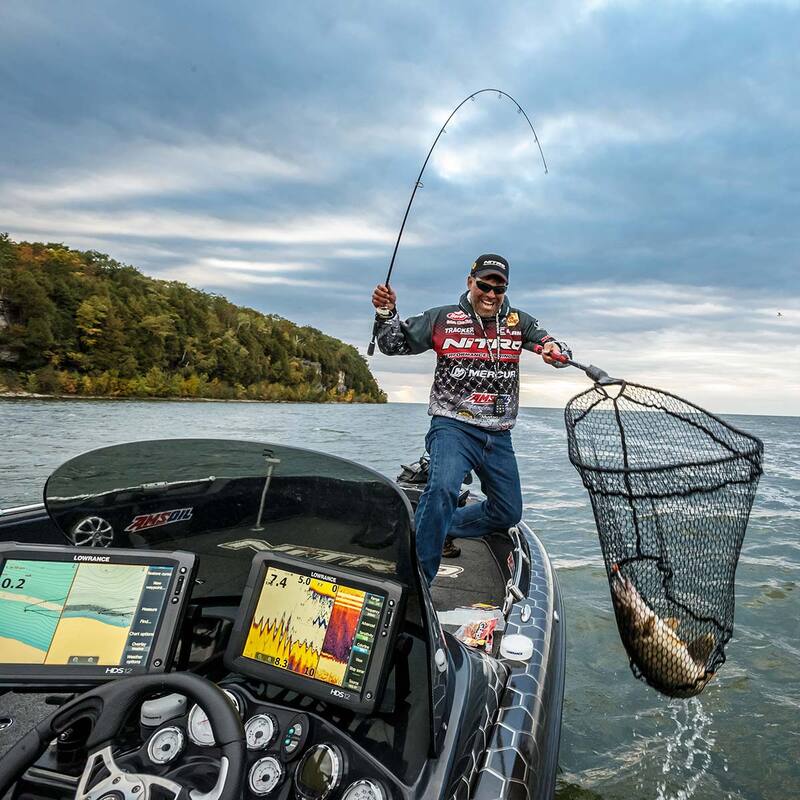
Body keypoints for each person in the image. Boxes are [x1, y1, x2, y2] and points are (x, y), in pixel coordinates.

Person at [371, 254, 570, 585]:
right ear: (470, 282)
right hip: (453, 427)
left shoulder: (518, 322)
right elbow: (393, 344)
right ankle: (417, 584)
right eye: (484, 286)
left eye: (499, 288)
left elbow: (550, 344)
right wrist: (385, 313)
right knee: (443, 489)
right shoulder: (442, 318)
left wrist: (554, 351)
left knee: (508, 512)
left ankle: (435, 527)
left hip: (499, 434)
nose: (491, 295)